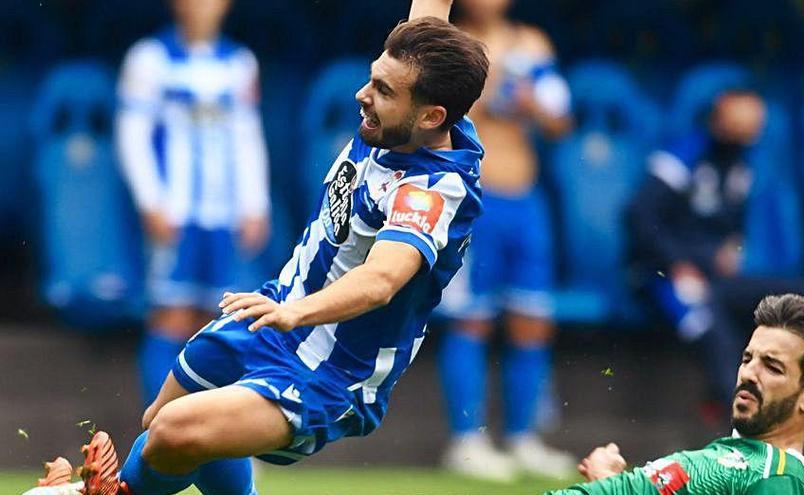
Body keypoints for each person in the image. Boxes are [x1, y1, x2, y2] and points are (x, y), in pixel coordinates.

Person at [25, 1, 488, 494]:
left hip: (330, 372)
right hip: (273, 316)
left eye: (382, 90)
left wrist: (296, 314)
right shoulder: (410, 98)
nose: (362, 94)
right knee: (160, 422)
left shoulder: (433, 190)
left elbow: (381, 281)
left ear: (431, 116)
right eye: (372, 78)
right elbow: (429, 14)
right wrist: (286, 313)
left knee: (175, 431)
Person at [437, 0, 574, 481]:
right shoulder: (445, 39)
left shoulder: (533, 41)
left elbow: (561, 122)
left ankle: (522, 437)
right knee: (470, 320)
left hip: (526, 198)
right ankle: (466, 440)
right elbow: (438, 115)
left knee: (532, 320)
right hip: (476, 194)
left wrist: (536, 104)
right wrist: (489, 85)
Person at [115, 0, 271, 407]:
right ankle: (158, 430)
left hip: (224, 216)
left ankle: (218, 436)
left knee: (222, 323)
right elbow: (132, 134)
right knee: (171, 315)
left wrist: (256, 204)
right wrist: (151, 201)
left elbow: (247, 136)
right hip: (176, 214)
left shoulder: (240, 62)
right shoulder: (149, 59)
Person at [545, 293, 804, 495]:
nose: (749, 373)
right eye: (748, 359)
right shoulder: (739, 458)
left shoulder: (775, 476)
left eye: (772, 367)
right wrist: (608, 484)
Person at [627, 90, 804, 426]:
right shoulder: (682, 156)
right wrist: (676, 263)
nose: (747, 126)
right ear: (718, 116)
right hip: (663, 275)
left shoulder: (743, 163)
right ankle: (740, 434)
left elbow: (729, 230)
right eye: (738, 117)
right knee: (713, 329)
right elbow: (640, 216)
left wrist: (731, 249)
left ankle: (777, 415)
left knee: (792, 298)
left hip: (713, 277)